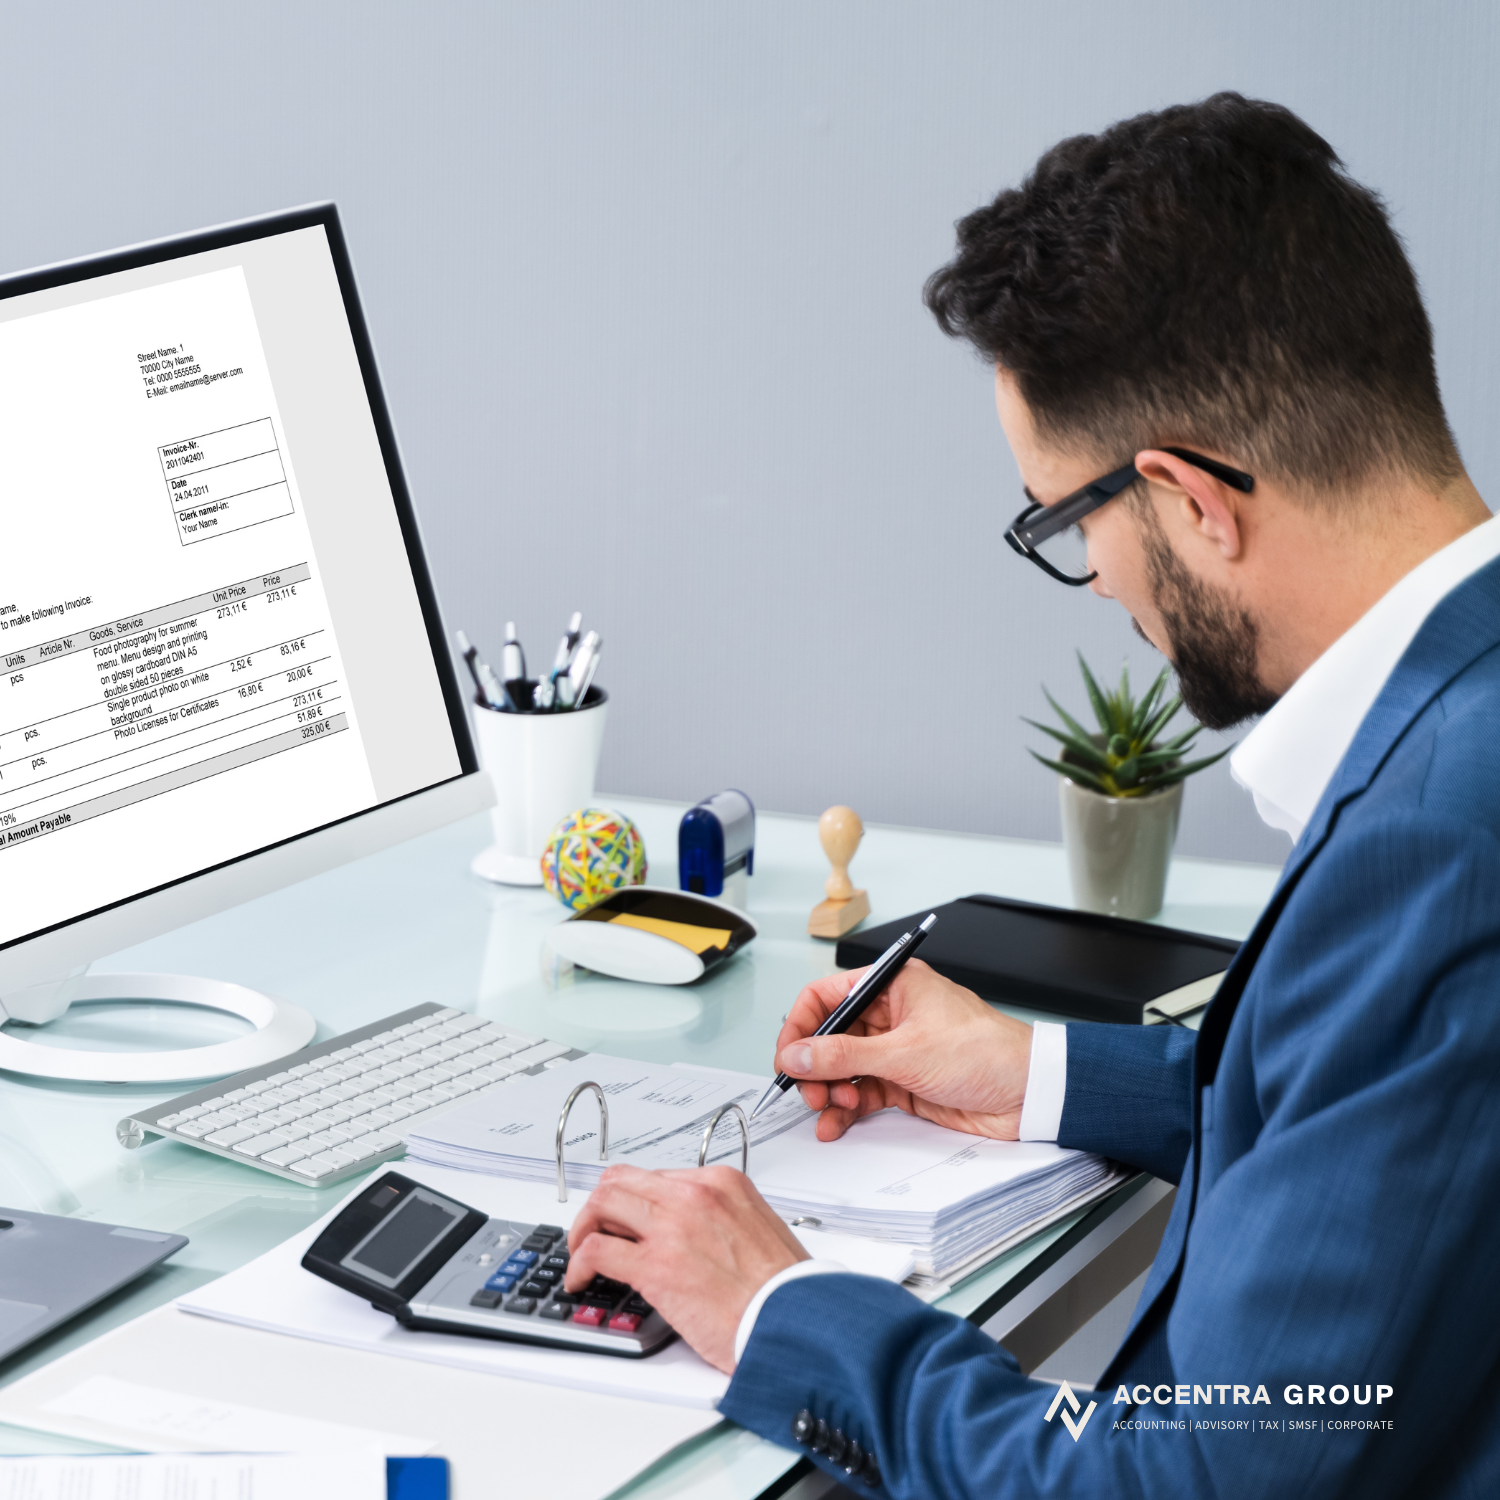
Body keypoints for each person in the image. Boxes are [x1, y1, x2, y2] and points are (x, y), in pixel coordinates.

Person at [562, 92, 1500, 1496]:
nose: (1102, 586)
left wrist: (780, 1309)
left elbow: (1182, 1482)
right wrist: (1039, 1074)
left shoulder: (1437, 838)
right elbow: (1395, 1123)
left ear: (1192, 502)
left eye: (1066, 522)